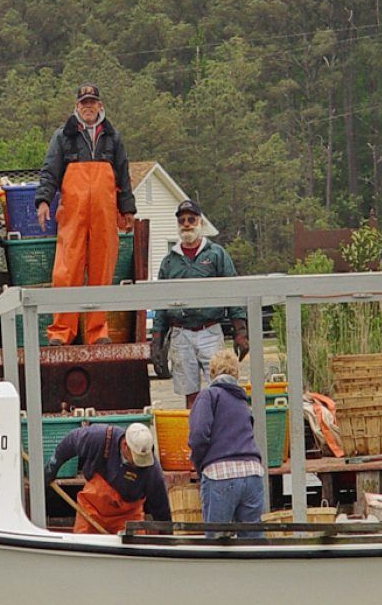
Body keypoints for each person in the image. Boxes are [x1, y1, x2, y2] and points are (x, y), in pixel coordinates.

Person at [35, 83, 135, 346]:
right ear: (76, 106)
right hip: (73, 214)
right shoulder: (63, 136)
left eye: (92, 102)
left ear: (100, 106)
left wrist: (127, 209)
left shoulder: (113, 137)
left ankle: (97, 331)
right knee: (66, 271)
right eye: (83, 103)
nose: (88, 107)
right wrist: (43, 201)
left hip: (104, 213)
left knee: (102, 271)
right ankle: (60, 332)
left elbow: (123, 174)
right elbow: (49, 171)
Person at [151, 199, 248, 408]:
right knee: (190, 395)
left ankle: (221, 435)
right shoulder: (169, 261)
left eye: (191, 219)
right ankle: (196, 435)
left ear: (200, 222)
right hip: (180, 334)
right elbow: (161, 303)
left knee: (222, 388)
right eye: (182, 220)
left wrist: (240, 331)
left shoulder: (217, 254)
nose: (186, 224)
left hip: (210, 330)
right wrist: (157, 342)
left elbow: (233, 292)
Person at [187, 348, 264, 537]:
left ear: (211, 373)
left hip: (220, 474)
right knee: (252, 542)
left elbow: (198, 436)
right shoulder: (241, 400)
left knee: (216, 541)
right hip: (253, 472)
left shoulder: (209, 396)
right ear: (236, 373)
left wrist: (199, 466)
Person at [43, 422, 171, 534]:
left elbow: (161, 508)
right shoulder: (98, 438)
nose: (140, 464)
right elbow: (69, 442)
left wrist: (166, 538)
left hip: (127, 520)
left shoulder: (152, 469)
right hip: (91, 513)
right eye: (137, 458)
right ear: (125, 446)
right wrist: (51, 468)